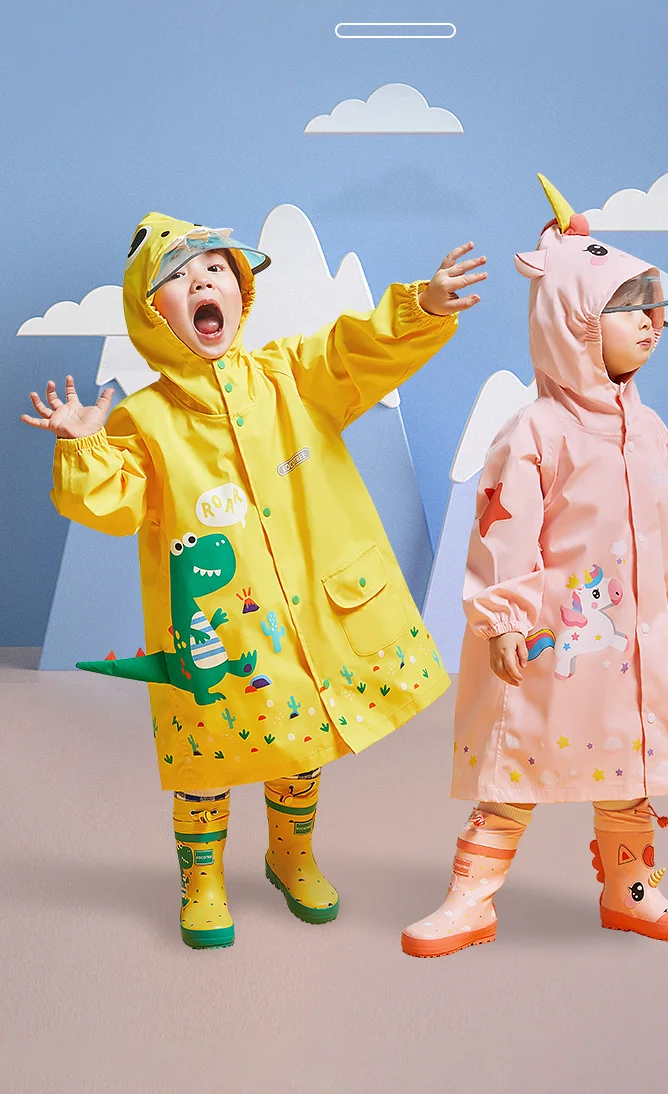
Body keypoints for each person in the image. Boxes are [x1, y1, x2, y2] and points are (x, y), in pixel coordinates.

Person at [23, 213, 486, 949]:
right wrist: (84, 447)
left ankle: (290, 855)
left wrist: (419, 308)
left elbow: (356, 351)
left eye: (216, 270)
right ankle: (202, 879)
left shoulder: (290, 375)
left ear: (240, 292)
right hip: (213, 631)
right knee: (206, 751)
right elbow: (110, 506)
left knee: (300, 737)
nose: (201, 282)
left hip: (304, 616)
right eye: (178, 278)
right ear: (152, 314)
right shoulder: (145, 419)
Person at [401, 174, 668, 958]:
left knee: (631, 771)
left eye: (654, 307)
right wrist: (504, 617)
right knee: (516, 771)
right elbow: (503, 533)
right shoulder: (534, 432)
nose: (650, 321)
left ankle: (630, 889)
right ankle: (470, 899)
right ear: (575, 320)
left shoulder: (653, 432)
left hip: (631, 652)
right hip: (551, 646)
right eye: (628, 307)